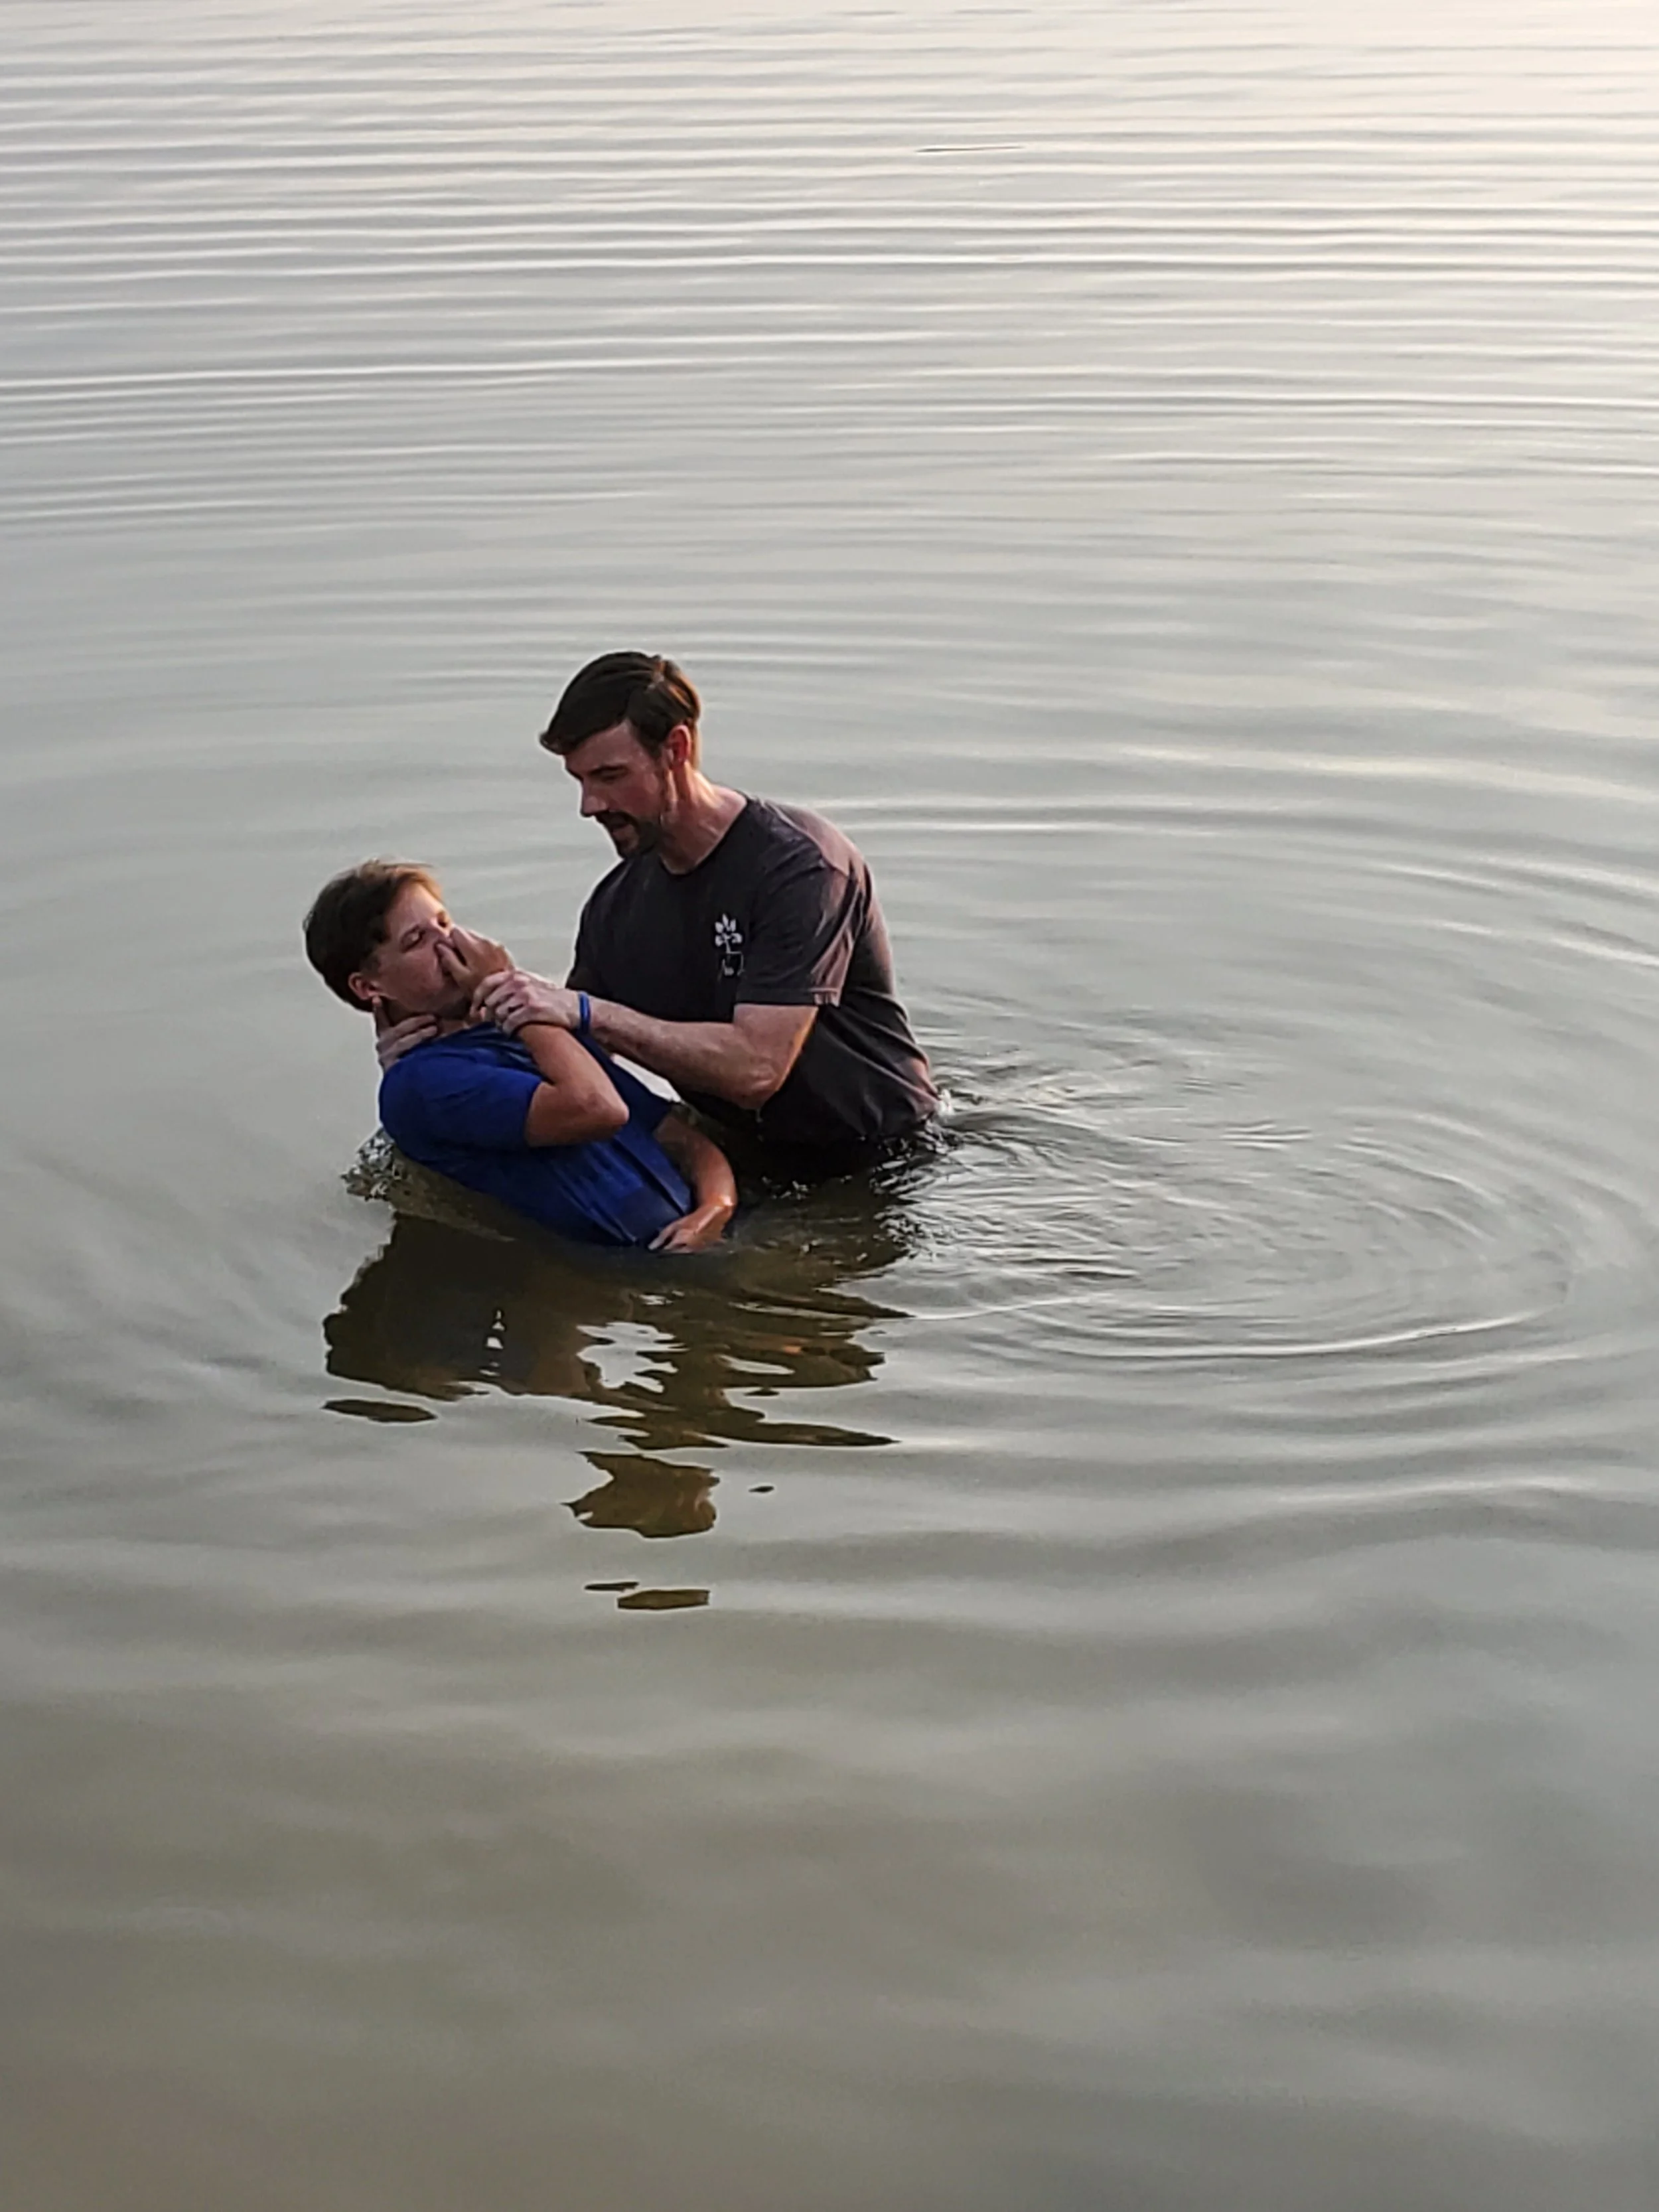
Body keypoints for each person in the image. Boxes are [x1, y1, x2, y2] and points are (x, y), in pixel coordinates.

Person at [380, 652, 938, 1171]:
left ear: (676, 748)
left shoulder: (801, 869)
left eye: (610, 776)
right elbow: (574, 1051)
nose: (589, 805)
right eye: (579, 781)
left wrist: (584, 1010)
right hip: (740, 1154)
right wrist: (436, 1049)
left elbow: (758, 1070)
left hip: (883, 1160)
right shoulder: (615, 906)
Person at [305, 859, 737, 1252]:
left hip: (715, 1236)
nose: (449, 945)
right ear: (368, 987)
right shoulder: (421, 1083)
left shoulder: (520, 1032)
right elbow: (599, 1108)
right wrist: (508, 989)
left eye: (445, 922)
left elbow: (675, 1133)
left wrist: (715, 1207)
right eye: (417, 940)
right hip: (646, 1272)